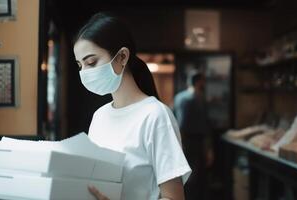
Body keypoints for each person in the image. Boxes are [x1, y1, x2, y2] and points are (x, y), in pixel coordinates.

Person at [73, 12, 191, 200]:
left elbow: (174, 197)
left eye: (91, 62)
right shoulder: (99, 116)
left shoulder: (155, 115)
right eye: (80, 66)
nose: (85, 73)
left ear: (122, 57)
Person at [173, 72, 212, 200]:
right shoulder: (195, 98)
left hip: (183, 141)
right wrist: (208, 148)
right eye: (203, 81)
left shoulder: (179, 97)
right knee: (194, 178)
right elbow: (201, 125)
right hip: (193, 142)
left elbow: (175, 120)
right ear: (199, 82)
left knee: (186, 175)